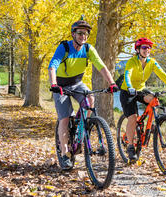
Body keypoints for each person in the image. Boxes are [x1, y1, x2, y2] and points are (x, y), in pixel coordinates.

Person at [48, 17, 119, 170]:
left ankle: (81, 125)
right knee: (65, 118)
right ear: (73, 34)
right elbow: (52, 65)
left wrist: (112, 83)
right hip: (60, 85)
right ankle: (65, 154)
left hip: (77, 83)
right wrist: (54, 84)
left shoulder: (88, 49)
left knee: (90, 99)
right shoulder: (64, 48)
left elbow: (101, 66)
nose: (83, 37)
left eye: (86, 34)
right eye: (80, 33)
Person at [120, 37, 166, 162]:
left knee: (154, 99)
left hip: (141, 90)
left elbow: (162, 73)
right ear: (138, 49)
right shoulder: (132, 61)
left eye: (148, 47)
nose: (147, 50)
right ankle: (130, 146)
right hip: (128, 91)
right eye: (144, 47)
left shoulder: (152, 62)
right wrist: (130, 87)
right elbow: (127, 74)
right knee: (132, 118)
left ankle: (153, 122)